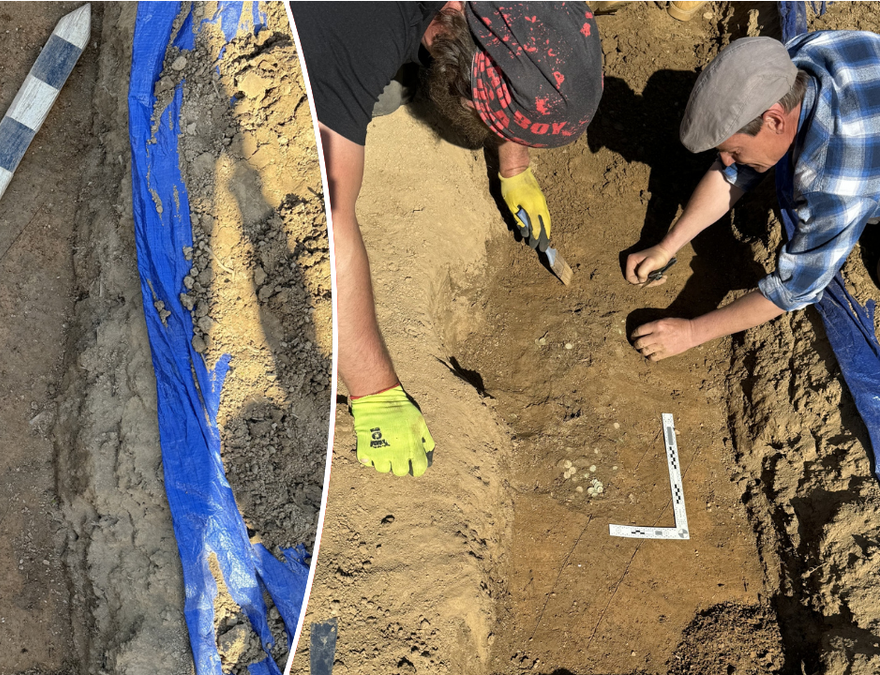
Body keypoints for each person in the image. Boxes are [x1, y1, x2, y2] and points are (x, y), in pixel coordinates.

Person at [290, 2, 604, 476]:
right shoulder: (356, 37)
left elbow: (519, 49)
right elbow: (325, 215)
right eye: (485, 109)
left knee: (393, 94)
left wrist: (515, 166)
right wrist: (375, 393)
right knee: (378, 99)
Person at [625, 33, 880, 361]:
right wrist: (666, 247)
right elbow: (733, 173)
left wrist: (690, 333)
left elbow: (795, 288)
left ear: (774, 119)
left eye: (734, 150)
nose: (726, 160)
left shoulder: (832, 181)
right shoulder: (796, 58)